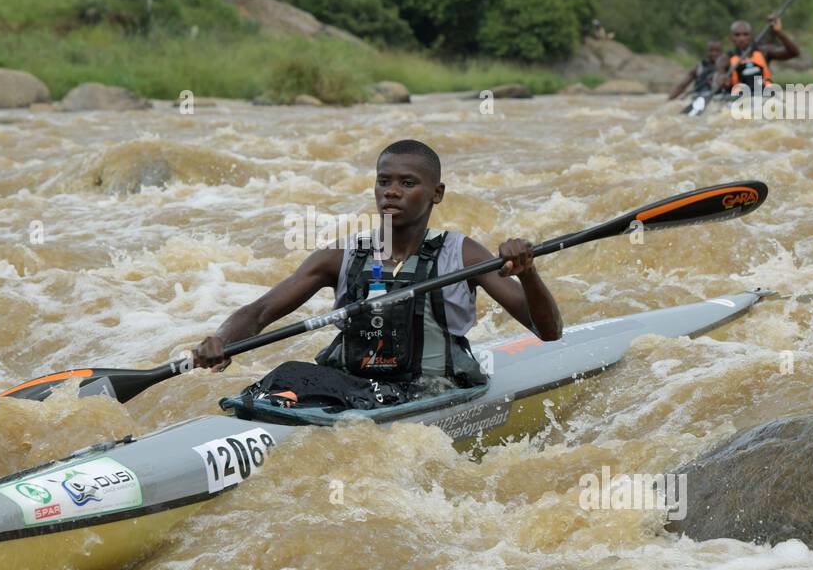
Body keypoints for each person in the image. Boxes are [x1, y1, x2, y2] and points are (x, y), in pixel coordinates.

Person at [192, 140, 562, 405]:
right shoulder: (340, 256)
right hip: (354, 387)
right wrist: (222, 341)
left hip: (431, 392)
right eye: (384, 181)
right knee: (285, 374)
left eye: (407, 183)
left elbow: (547, 330)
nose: (392, 193)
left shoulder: (464, 254)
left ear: (437, 193)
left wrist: (527, 273)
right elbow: (258, 313)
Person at [720, 16, 800, 95]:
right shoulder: (725, 58)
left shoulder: (764, 51)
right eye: (737, 35)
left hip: (764, 96)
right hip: (739, 99)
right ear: (731, 38)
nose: (741, 38)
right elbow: (718, 75)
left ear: (752, 36)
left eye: (745, 34)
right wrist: (721, 80)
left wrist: (779, 32)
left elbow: (794, 52)